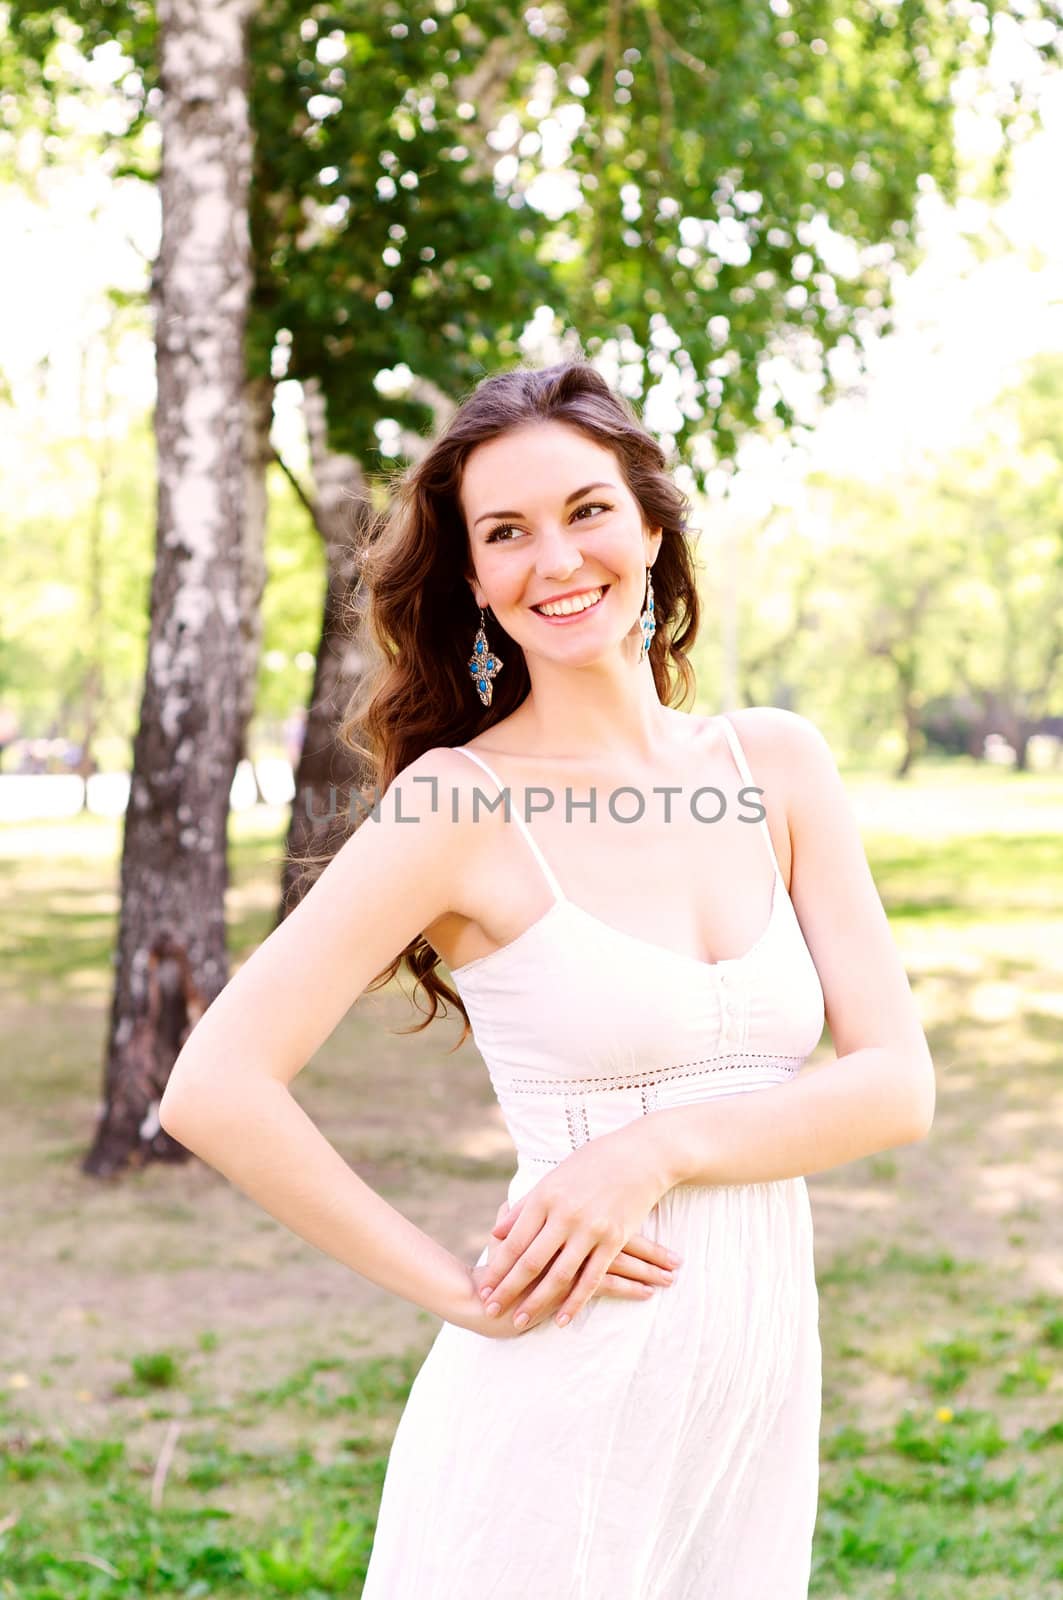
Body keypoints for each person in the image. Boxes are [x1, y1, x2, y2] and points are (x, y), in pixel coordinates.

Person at [159, 359, 936, 1598]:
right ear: (475, 583)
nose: (556, 560)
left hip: (753, 1393)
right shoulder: (458, 805)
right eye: (506, 533)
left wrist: (651, 1149)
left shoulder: (776, 764)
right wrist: (460, 1297)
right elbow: (215, 1086)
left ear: (649, 525)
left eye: (585, 512)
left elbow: (896, 1085)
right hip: (557, 1399)